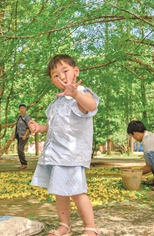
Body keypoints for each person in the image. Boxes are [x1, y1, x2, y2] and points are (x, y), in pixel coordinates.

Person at [28, 54, 100, 236]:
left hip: (71, 154)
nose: (61, 77)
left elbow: (90, 106)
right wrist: (39, 127)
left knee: (76, 191)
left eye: (65, 71)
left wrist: (75, 93)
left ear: (76, 71)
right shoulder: (56, 101)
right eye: (55, 75)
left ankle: (91, 228)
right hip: (56, 154)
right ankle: (64, 226)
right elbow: (52, 126)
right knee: (60, 191)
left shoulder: (82, 92)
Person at [14, 104, 31, 169]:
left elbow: (28, 127)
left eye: (23, 108)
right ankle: (22, 163)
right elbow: (16, 127)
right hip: (19, 135)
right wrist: (13, 136)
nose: (22, 109)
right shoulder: (19, 117)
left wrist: (25, 135)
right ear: (19, 109)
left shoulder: (27, 117)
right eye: (21, 108)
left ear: (25, 109)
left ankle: (24, 163)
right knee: (19, 149)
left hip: (24, 135)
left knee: (20, 149)